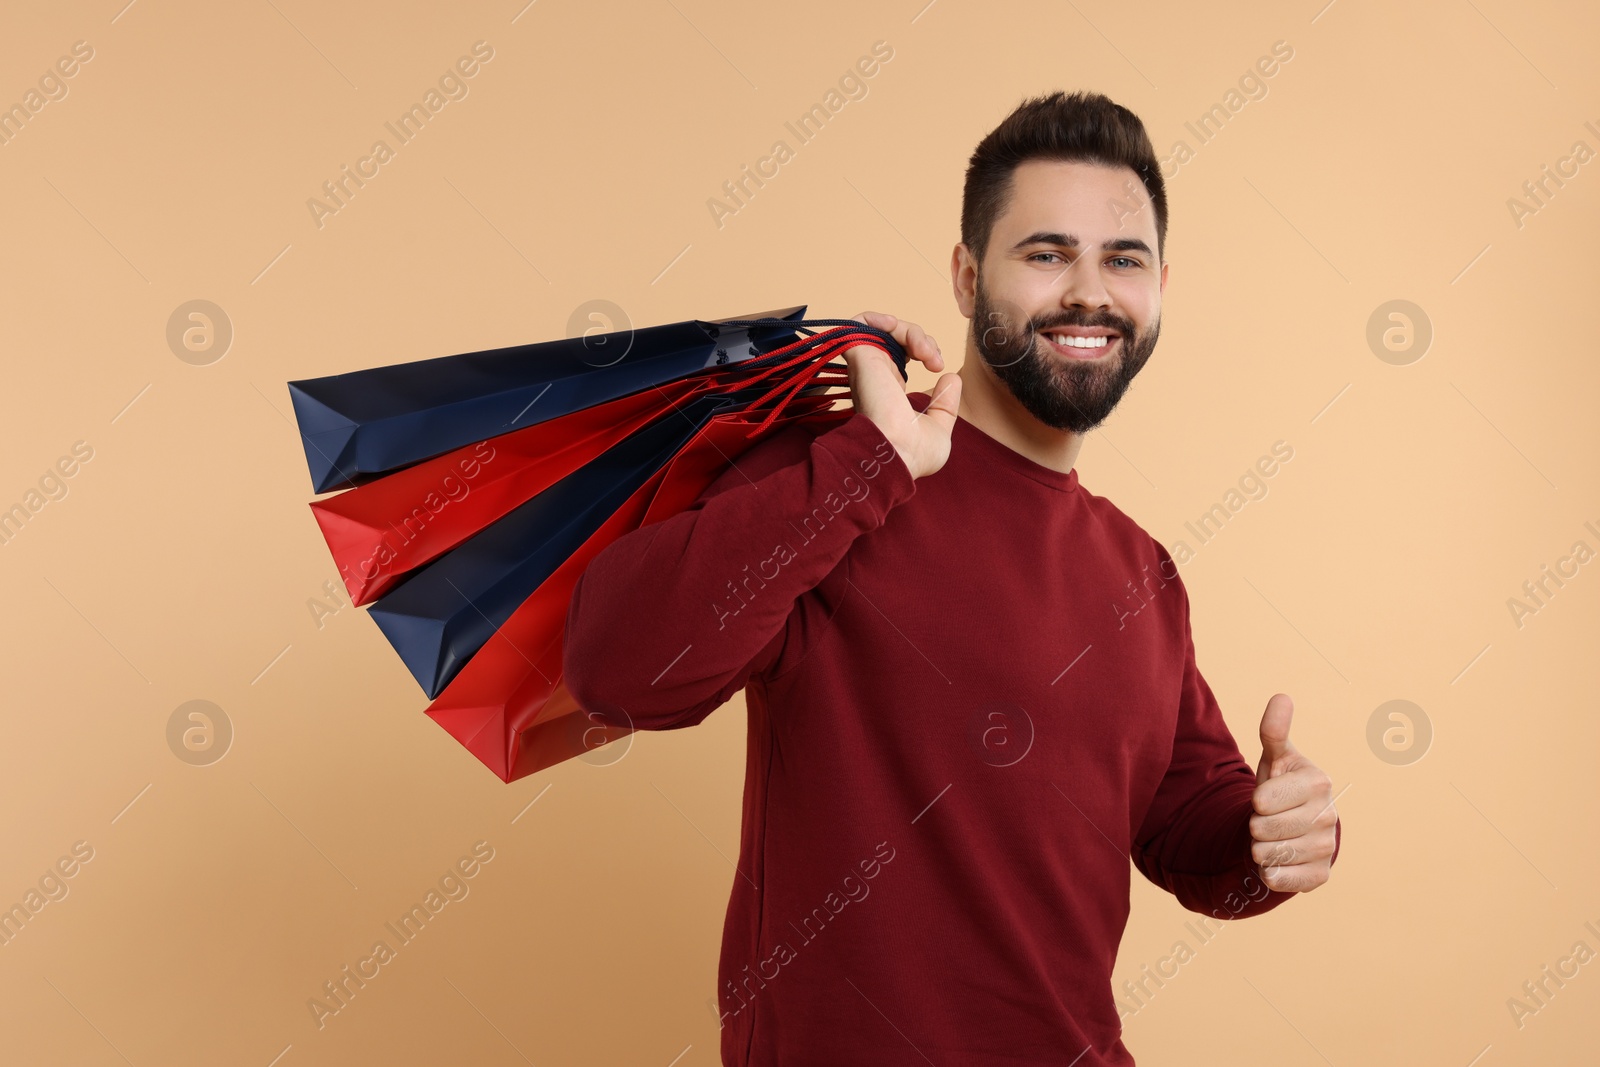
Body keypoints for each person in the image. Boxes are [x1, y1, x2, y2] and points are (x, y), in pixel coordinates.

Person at [563, 89, 1342, 1067]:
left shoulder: (1140, 566)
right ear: (968, 278)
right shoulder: (838, 479)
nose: (1089, 293)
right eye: (1046, 253)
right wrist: (869, 459)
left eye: (1122, 259)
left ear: (1159, 287)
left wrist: (1271, 836)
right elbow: (617, 666)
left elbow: (1190, 830)